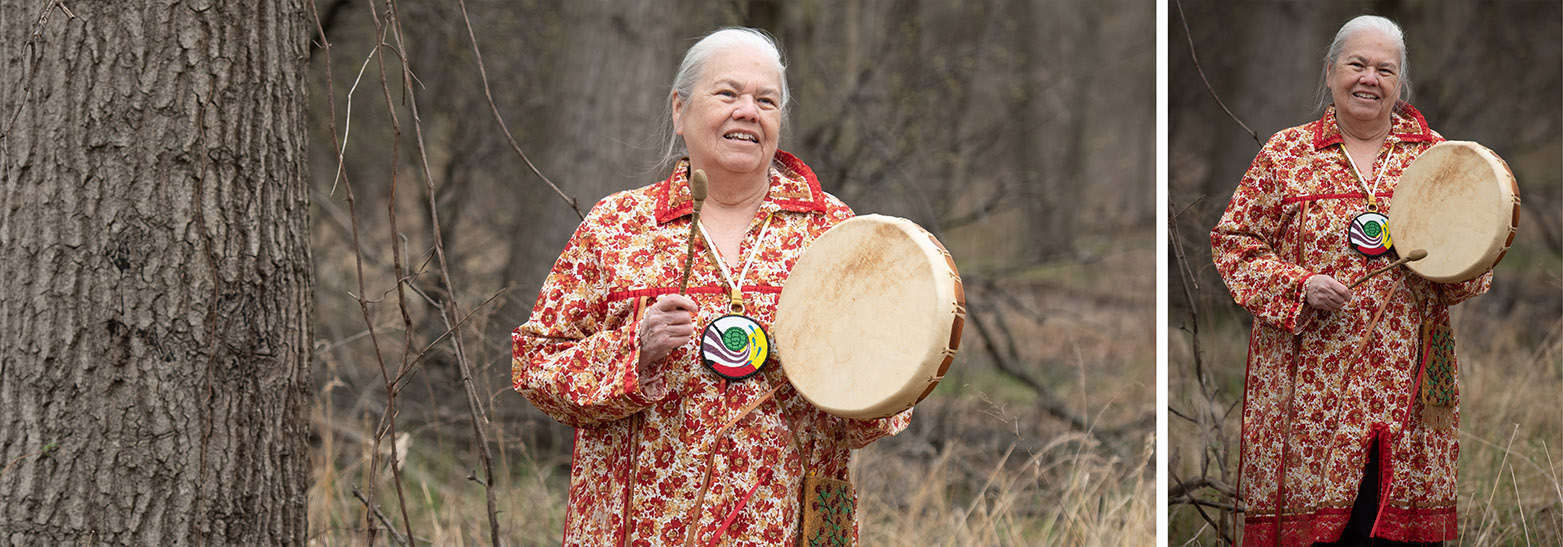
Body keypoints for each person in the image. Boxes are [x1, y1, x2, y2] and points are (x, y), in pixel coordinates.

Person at [512, 27, 909, 546]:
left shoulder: (833, 230)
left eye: (766, 101)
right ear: (680, 111)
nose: (748, 111)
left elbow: (890, 382)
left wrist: (844, 375)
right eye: (728, 94)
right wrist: (637, 349)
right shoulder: (618, 227)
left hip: (792, 525)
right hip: (644, 530)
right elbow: (535, 364)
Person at [1211, 15, 1489, 547]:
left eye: (1385, 69)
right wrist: (1300, 285)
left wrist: (1446, 261)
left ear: (1400, 82)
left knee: (1384, 528)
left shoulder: (1436, 157)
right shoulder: (1287, 155)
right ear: (1331, 71)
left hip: (1403, 382)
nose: (1370, 78)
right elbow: (1233, 242)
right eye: (1357, 64)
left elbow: (1474, 257)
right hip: (1308, 388)